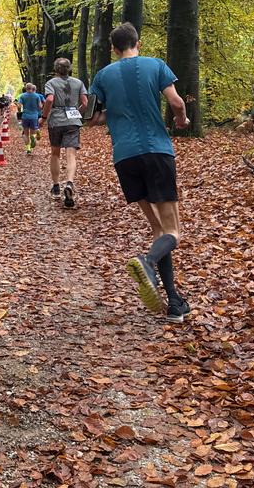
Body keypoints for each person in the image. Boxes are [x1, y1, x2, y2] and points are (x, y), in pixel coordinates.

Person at [88, 23, 192, 322]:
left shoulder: (102, 76)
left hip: (125, 157)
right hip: (156, 151)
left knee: (159, 231)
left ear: (113, 48)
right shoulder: (156, 65)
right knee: (172, 231)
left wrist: (113, 111)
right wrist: (182, 120)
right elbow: (176, 102)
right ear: (138, 43)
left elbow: (94, 118)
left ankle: (174, 303)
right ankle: (147, 261)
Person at [41, 58, 87, 208]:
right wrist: (76, 113)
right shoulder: (78, 83)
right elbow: (85, 103)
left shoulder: (51, 83)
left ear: (55, 69)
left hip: (56, 121)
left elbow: (49, 100)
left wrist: (43, 117)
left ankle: (56, 187)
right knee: (71, 154)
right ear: (69, 68)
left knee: (55, 153)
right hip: (73, 121)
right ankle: (69, 183)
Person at [17, 83, 45, 154]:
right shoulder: (36, 96)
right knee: (33, 133)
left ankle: (28, 149)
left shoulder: (22, 96)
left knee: (26, 134)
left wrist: (19, 112)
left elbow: (19, 106)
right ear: (32, 88)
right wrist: (40, 109)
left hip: (25, 116)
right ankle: (33, 137)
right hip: (34, 116)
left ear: (26, 88)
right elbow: (40, 106)